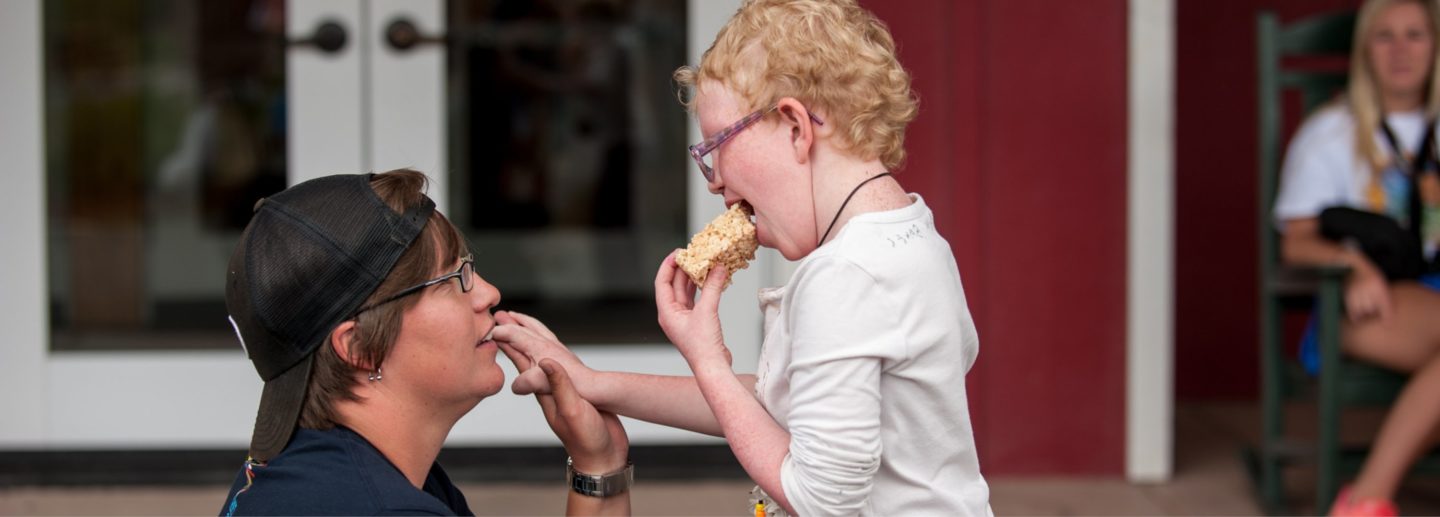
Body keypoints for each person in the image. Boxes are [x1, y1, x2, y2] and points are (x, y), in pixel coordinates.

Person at [491, 1, 992, 515]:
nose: (714, 182)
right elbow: (788, 403)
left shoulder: (845, 275)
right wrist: (598, 384)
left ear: (796, 126)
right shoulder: (913, 239)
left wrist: (706, 359)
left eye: (717, 145)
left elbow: (821, 499)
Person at [218, 169, 631, 516]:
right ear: (360, 346)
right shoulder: (383, 508)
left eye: (470, 267)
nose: (488, 293)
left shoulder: (306, 472)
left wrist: (599, 463)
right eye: (454, 280)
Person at [1273, 0, 1440, 514]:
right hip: (1365, 304)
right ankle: (1367, 498)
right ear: (1363, 49)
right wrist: (1353, 266)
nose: (1400, 51)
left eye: (1415, 35)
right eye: (1384, 36)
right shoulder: (1330, 134)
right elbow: (1296, 240)